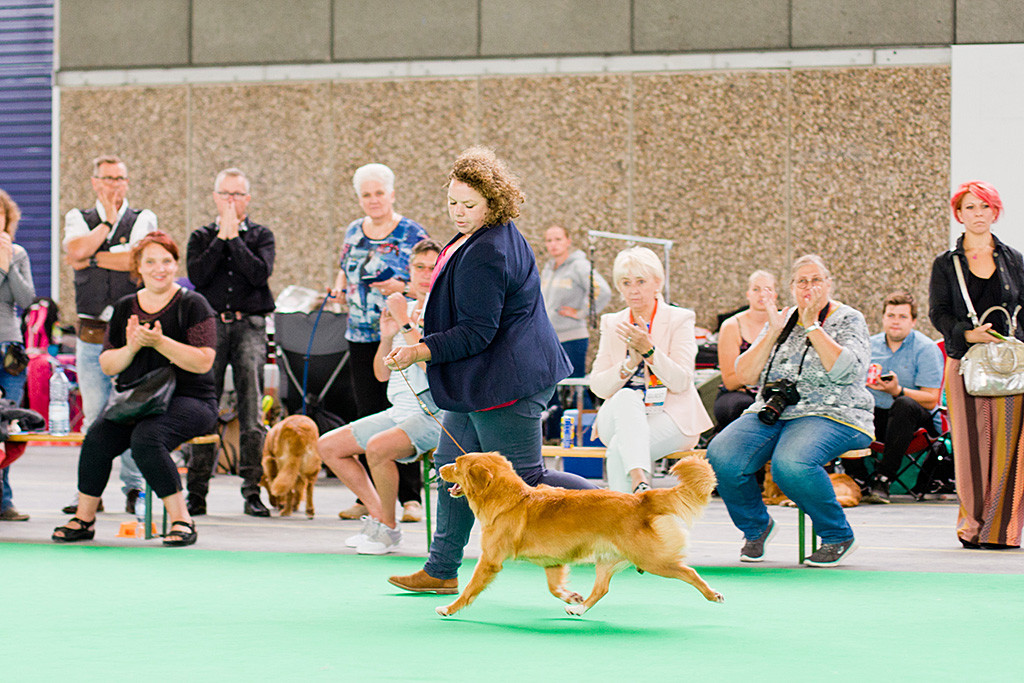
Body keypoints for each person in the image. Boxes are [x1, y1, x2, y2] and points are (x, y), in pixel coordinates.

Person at [384, 147, 596, 594]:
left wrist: (417, 350)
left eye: (469, 205)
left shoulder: (489, 250)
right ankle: (441, 570)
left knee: (528, 480)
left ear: (492, 201)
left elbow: (477, 333)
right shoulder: (486, 234)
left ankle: (621, 512)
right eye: (452, 203)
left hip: (505, 383)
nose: (459, 213)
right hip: (479, 382)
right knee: (450, 467)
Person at [52, 232, 218, 546]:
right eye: (151, 261)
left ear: (175, 264)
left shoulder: (194, 304)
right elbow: (109, 364)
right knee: (98, 436)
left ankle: (182, 520)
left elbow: (203, 362)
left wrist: (160, 342)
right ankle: (84, 519)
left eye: (167, 261)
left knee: (147, 437)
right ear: (137, 268)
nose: (160, 268)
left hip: (190, 399)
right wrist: (131, 347)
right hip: (138, 398)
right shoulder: (125, 306)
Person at [707, 255, 873, 567]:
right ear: (792, 288)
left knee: (791, 463)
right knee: (722, 454)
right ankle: (757, 527)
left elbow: (847, 371)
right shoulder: (783, 320)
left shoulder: (849, 319)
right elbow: (743, 375)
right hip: (775, 411)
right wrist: (772, 331)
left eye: (816, 280)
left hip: (833, 412)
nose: (809, 287)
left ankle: (838, 535)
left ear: (828, 285)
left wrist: (812, 326)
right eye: (802, 281)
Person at [319, 239, 443, 554]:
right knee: (329, 446)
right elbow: (381, 374)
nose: (426, 275)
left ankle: (388, 529)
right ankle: (377, 517)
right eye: (419, 268)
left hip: (434, 414)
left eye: (432, 268)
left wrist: (404, 322)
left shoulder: (442, 310)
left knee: (377, 448)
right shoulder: (405, 308)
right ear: (409, 271)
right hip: (398, 409)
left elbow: (434, 368)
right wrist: (387, 337)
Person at [329, 163, 429, 522]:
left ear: (392, 194)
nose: (373, 201)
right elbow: (345, 267)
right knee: (368, 410)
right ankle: (367, 496)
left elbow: (426, 280)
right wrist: (340, 288)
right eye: (366, 195)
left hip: (402, 331)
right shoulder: (353, 230)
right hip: (361, 332)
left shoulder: (411, 232)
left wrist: (399, 289)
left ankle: (410, 497)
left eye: (379, 193)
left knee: (406, 413)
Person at [929, 181, 1024, 550]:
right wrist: (968, 335)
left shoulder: (1015, 259)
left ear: (995, 212)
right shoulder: (946, 264)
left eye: (985, 207)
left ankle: (1002, 530)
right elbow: (939, 311)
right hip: (965, 362)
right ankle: (972, 527)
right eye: (970, 207)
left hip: (1010, 366)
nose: (978, 214)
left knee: (1008, 448)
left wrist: (1008, 338)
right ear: (959, 214)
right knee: (969, 448)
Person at [61, 154, 158, 514]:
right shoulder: (77, 217)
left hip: (130, 331)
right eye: (107, 178)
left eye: (120, 179)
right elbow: (75, 253)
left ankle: (135, 489)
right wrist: (106, 225)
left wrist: (94, 255)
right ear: (94, 182)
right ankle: (89, 491)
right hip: (90, 332)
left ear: (127, 183)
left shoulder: (144, 218)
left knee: (134, 410)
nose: (114, 185)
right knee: (93, 415)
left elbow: (137, 261)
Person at [185, 168, 275, 517]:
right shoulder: (200, 235)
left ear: (247, 199)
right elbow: (198, 276)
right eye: (224, 195)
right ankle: (197, 491)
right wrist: (220, 239)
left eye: (237, 195)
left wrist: (234, 237)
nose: (230, 201)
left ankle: (252, 490)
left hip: (249, 326)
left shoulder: (262, 235)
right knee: (203, 405)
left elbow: (258, 275)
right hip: (208, 326)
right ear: (214, 197)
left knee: (252, 407)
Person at [589, 247, 712, 493]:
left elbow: (681, 382)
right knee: (625, 396)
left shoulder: (680, 319)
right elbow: (598, 387)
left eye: (641, 282)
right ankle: (639, 485)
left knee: (617, 450)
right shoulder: (612, 322)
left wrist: (650, 352)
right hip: (617, 415)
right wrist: (629, 365)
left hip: (671, 414)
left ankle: (628, 510)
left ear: (658, 282)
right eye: (626, 283)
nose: (633, 290)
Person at [843, 291, 944, 503]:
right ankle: (858, 477)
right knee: (845, 404)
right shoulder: (869, 345)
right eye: (891, 316)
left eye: (902, 317)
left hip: (916, 421)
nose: (895, 322)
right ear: (883, 318)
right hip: (875, 417)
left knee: (903, 404)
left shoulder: (926, 349)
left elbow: (931, 399)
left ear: (914, 320)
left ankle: (883, 478)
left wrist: (897, 391)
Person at [0, 189, 36, 522]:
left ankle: (4, 501)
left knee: (7, 425)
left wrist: (7, 264)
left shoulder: (19, 254)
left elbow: (25, 299)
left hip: (10, 349)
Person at [539, 224, 611, 377]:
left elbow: (602, 290)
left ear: (568, 241)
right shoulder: (548, 269)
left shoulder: (579, 266)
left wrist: (581, 312)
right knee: (553, 392)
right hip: (551, 338)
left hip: (572, 337)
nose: (553, 244)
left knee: (575, 388)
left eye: (558, 239)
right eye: (549, 240)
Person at [713, 270, 778, 430]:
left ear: (775, 295)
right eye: (756, 289)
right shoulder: (732, 326)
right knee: (742, 408)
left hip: (775, 392)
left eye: (767, 289)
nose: (762, 294)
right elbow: (730, 381)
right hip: (740, 394)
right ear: (748, 294)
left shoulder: (783, 322)